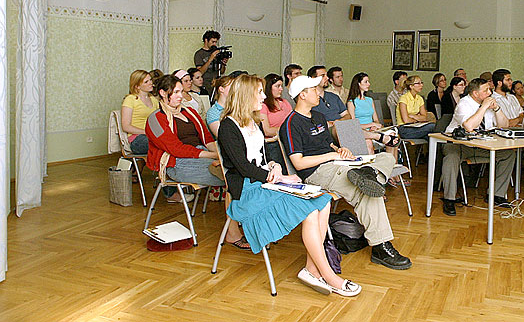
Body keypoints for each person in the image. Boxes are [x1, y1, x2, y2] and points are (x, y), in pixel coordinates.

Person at [218, 74, 360, 296]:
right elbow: (244, 168)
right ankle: (327, 275)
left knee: (322, 201)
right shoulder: (228, 126)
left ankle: (311, 270)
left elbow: (262, 160)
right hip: (248, 189)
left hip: (265, 181)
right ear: (246, 95)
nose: (264, 96)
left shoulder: (254, 123)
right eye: (259, 92)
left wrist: (274, 166)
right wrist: (282, 177)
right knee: (312, 210)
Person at [280, 75, 412, 270]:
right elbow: (298, 163)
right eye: (314, 90)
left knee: (386, 158)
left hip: (337, 163)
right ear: (302, 95)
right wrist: (331, 157)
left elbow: (328, 143)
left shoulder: (318, 117)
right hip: (317, 171)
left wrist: (339, 150)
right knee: (366, 192)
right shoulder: (291, 124)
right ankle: (380, 246)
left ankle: (370, 175)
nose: (319, 93)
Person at [145, 75, 224, 204]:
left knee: (231, 170)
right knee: (229, 175)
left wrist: (220, 153)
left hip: (201, 154)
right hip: (177, 162)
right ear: (163, 93)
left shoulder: (190, 112)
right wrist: (214, 155)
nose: (181, 96)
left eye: (181, 91)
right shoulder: (156, 118)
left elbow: (207, 138)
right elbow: (175, 149)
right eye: (176, 92)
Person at [441, 78, 514, 216]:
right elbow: (469, 126)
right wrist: (483, 108)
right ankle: (449, 199)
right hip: (458, 144)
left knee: (508, 154)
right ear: (475, 93)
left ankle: (496, 194)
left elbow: (504, 125)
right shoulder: (464, 104)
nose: (490, 92)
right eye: (486, 90)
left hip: (481, 144)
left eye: (489, 89)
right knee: (451, 157)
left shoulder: (488, 104)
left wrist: (497, 109)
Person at [492, 69, 524, 197]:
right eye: (508, 80)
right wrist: (514, 121)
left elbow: (522, 114)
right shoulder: (492, 99)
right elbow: (504, 124)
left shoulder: (512, 98)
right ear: (499, 83)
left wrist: (516, 120)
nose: (511, 82)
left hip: (519, 130)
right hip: (503, 134)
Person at [346, 73, 400, 164]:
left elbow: (376, 120)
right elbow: (353, 125)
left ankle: (392, 171)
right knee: (368, 142)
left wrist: (375, 125)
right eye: (366, 82)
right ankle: (374, 170)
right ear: (358, 84)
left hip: (373, 130)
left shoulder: (369, 100)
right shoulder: (351, 102)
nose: (369, 84)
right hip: (362, 132)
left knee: (393, 136)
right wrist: (371, 124)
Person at [259, 73, 294, 169]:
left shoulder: (285, 103)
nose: (281, 89)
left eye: (281, 86)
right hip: (273, 142)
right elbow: (267, 130)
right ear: (269, 88)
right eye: (277, 86)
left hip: (287, 138)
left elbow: (293, 122)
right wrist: (285, 129)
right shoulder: (263, 106)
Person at [121, 70, 158, 155]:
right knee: (162, 144)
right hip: (137, 139)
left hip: (151, 136)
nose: (150, 83)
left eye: (150, 80)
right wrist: (146, 132)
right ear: (137, 86)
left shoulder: (153, 99)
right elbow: (126, 126)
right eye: (146, 82)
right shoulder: (130, 99)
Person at [396, 76, 436, 140]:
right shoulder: (403, 98)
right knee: (432, 126)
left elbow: (424, 117)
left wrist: (413, 116)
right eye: (418, 83)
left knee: (432, 137)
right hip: (404, 129)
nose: (421, 85)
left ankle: (435, 150)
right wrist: (418, 118)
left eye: (421, 83)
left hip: (417, 126)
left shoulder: (420, 98)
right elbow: (406, 120)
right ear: (411, 86)